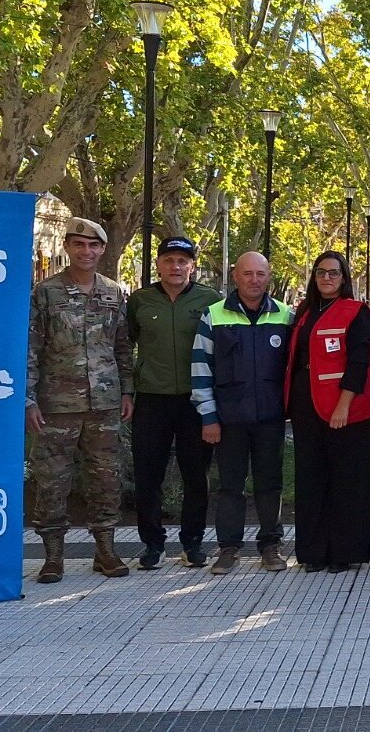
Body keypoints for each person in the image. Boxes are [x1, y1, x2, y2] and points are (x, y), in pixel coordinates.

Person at [25, 217, 134, 583]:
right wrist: (28, 399)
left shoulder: (114, 292)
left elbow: (122, 347)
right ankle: (52, 556)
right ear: (67, 247)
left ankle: (106, 549)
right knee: (52, 478)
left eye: (93, 246)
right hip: (56, 403)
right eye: (78, 245)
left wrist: (128, 391)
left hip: (104, 402)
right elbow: (32, 347)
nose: (86, 252)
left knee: (106, 477)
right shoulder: (46, 293)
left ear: (102, 250)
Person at [191, 251, 294, 575]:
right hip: (228, 420)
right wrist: (208, 417)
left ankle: (271, 545)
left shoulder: (285, 316)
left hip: (270, 418)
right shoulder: (214, 316)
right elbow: (200, 369)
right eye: (247, 274)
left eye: (260, 274)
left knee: (270, 484)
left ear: (269, 276)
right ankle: (228, 548)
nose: (254, 280)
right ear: (235, 276)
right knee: (230, 486)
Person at [126, 236, 222, 570]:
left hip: (195, 402)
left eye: (183, 261)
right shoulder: (140, 301)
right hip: (152, 399)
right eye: (169, 260)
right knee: (148, 475)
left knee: (195, 475)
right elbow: (127, 347)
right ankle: (152, 543)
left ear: (193, 265)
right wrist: (128, 391)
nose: (176, 267)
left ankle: (193, 542)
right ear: (159, 264)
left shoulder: (210, 300)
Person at [286, 251, 370, 572]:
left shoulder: (358, 312)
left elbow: (359, 362)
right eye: (321, 272)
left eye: (333, 273)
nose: (327, 278)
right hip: (305, 404)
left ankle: (343, 552)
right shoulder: (304, 312)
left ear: (344, 278)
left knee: (346, 479)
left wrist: (343, 405)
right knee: (310, 478)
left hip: (344, 407)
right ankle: (313, 553)